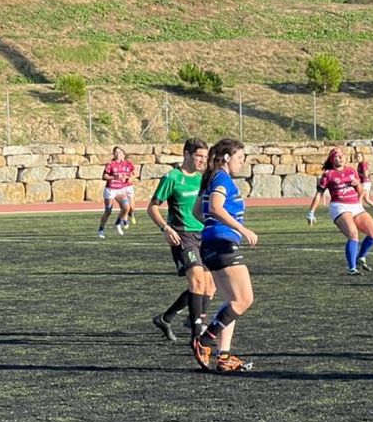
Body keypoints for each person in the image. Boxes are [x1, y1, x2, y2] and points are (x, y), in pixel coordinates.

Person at [191, 139, 256, 374]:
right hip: (222, 243)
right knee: (244, 299)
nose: (242, 162)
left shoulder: (210, 178)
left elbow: (197, 211)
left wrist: (210, 227)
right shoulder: (221, 177)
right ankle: (205, 340)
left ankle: (224, 357)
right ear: (227, 157)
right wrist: (240, 229)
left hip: (211, 242)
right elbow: (216, 208)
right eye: (240, 157)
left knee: (232, 302)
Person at [146, 138, 212, 344]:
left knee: (209, 287)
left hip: (205, 234)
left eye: (205, 156)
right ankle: (197, 330)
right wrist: (165, 228)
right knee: (197, 281)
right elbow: (152, 207)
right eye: (199, 156)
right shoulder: (172, 178)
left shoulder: (202, 179)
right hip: (183, 235)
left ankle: (166, 318)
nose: (203, 160)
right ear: (186, 154)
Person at [307, 147, 373, 275]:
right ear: (332, 160)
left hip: (355, 205)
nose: (341, 157)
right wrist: (311, 212)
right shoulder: (328, 174)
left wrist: (357, 184)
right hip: (339, 206)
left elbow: (360, 192)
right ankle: (352, 268)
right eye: (337, 156)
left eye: (342, 155)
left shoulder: (351, 171)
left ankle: (361, 257)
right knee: (353, 234)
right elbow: (319, 194)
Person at [98, 146, 136, 238]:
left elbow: (133, 173)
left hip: (121, 189)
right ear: (113, 154)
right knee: (108, 211)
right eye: (116, 152)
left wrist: (129, 178)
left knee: (126, 207)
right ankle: (101, 229)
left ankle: (118, 223)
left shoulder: (127, 163)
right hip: (110, 190)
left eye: (119, 152)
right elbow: (104, 176)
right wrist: (114, 177)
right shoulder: (110, 164)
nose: (118, 154)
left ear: (123, 154)